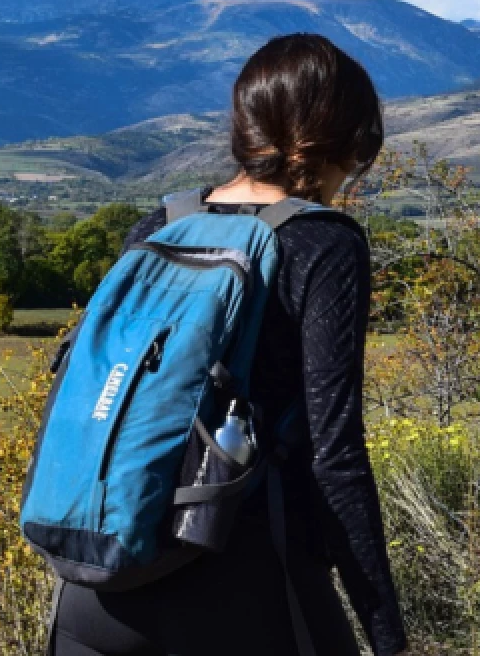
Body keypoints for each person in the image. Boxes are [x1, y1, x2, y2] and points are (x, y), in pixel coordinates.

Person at [53, 34, 409, 656]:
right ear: (339, 140)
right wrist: (387, 634)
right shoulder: (323, 245)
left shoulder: (159, 227)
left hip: (96, 585)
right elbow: (336, 457)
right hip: (245, 583)